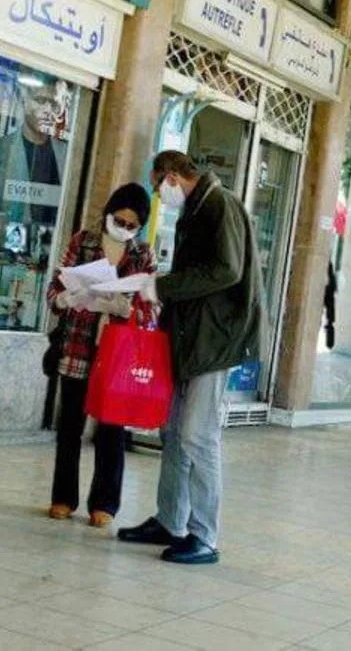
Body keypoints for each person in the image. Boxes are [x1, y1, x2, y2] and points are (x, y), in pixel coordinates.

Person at [118, 152, 262, 565]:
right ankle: (170, 520)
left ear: (173, 177)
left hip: (213, 341)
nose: (159, 194)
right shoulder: (198, 208)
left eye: (158, 185)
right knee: (174, 432)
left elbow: (227, 270)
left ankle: (204, 536)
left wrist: (163, 287)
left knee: (198, 435)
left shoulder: (219, 204)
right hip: (190, 338)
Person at [46, 183, 155, 528]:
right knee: (70, 426)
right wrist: (63, 299)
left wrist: (127, 308)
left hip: (116, 354)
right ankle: (63, 497)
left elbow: (151, 308)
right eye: (118, 220)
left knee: (111, 429)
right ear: (108, 213)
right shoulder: (83, 241)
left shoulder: (142, 255)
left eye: (131, 225)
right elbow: (56, 287)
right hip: (77, 346)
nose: (123, 228)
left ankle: (105, 503)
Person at [0, 79, 71, 226]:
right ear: (25, 102)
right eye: (40, 100)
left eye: (53, 104)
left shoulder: (68, 156)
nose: (47, 109)